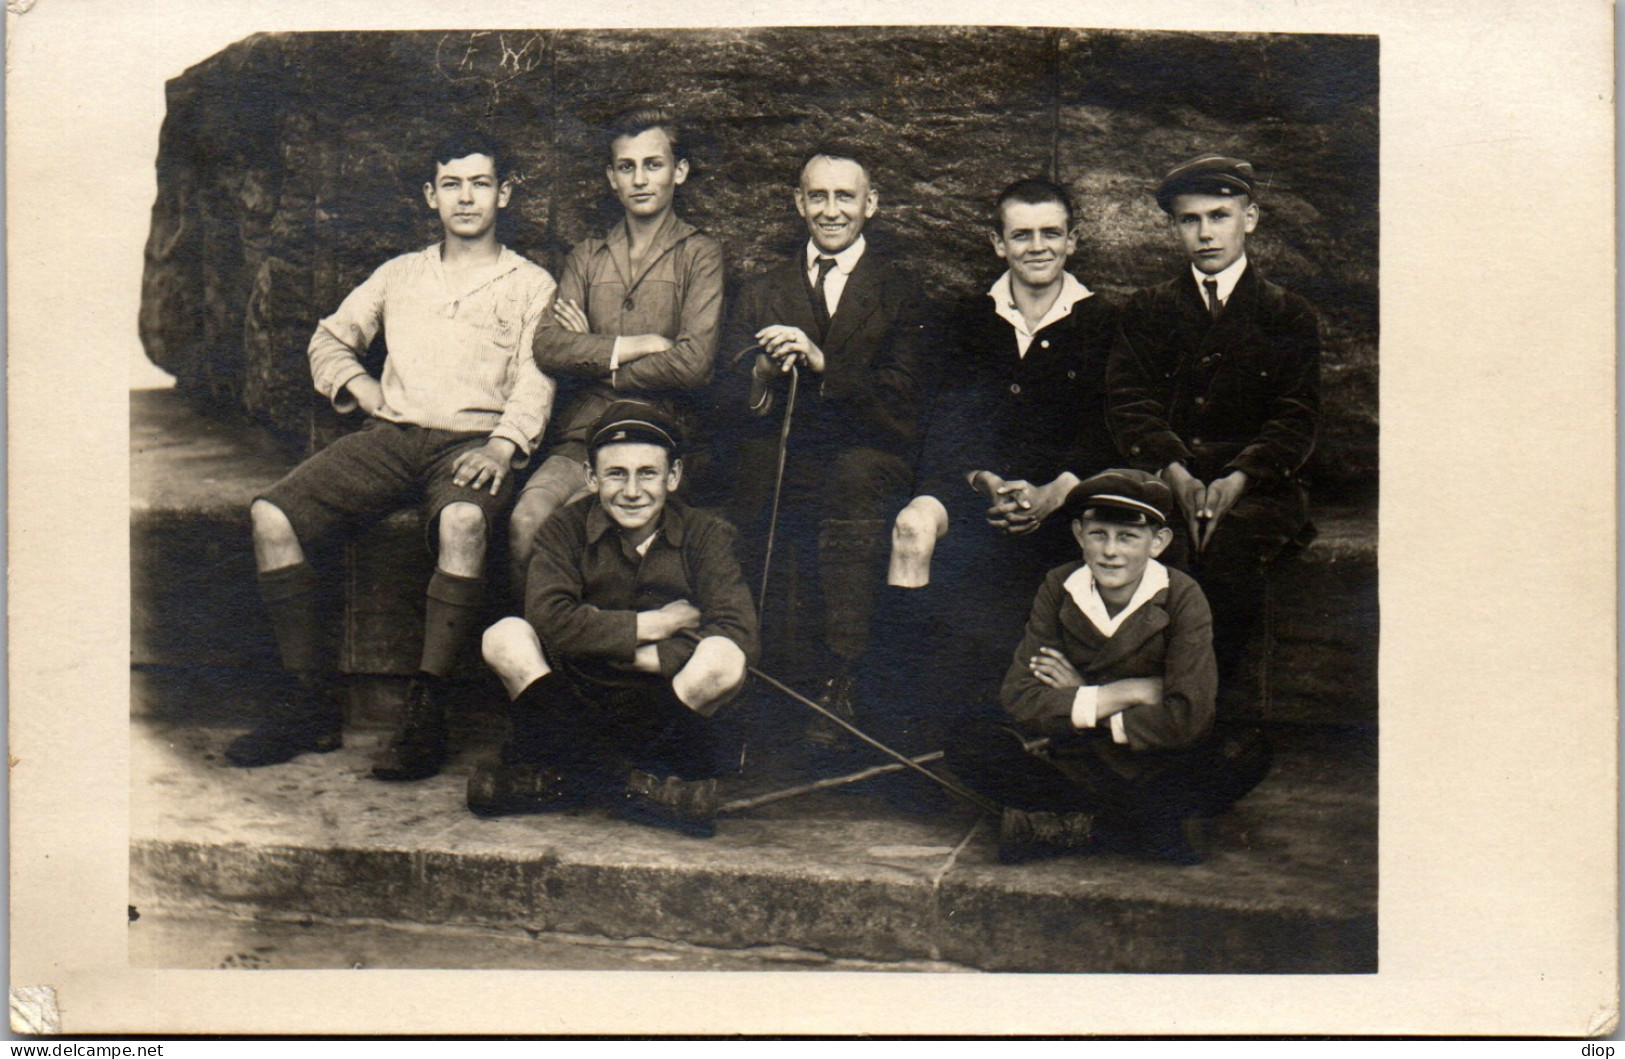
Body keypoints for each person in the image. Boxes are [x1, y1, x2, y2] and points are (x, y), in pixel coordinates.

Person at [226, 131, 558, 778]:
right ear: (431, 196)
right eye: (452, 184)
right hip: (395, 436)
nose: (466, 197)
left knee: (463, 523)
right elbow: (328, 340)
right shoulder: (400, 274)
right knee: (272, 515)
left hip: (471, 445)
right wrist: (364, 389)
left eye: (481, 182)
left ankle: (426, 710)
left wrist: (502, 443)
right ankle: (308, 703)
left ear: (505, 193)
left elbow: (536, 376)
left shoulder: (529, 283)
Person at [870, 178, 1119, 750]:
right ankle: (895, 715)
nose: (1037, 246)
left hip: (1064, 496)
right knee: (911, 527)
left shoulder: (1102, 323)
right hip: (974, 485)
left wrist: (1055, 492)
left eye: (1050, 233)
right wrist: (984, 480)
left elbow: (1107, 428)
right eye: (1022, 234)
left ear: (1073, 241)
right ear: (998, 242)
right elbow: (945, 422)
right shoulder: (967, 319)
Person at [944, 470, 1271, 865]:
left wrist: (1079, 695)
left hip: (1154, 764)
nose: (1110, 552)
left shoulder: (1182, 595)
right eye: (1098, 534)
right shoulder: (1060, 586)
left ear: (1158, 542)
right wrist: (1127, 692)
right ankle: (1146, 827)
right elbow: (1019, 699)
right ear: (1080, 535)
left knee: (1247, 747)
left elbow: (1187, 718)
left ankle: (1076, 825)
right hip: (1075, 763)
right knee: (967, 741)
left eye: (1128, 537)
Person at [472, 401, 758, 837]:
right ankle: (632, 783)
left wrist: (650, 658)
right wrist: (652, 626)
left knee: (724, 657)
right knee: (504, 636)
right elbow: (548, 619)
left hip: (665, 699)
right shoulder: (562, 530)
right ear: (591, 478)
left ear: (673, 477)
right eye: (615, 474)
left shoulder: (706, 535)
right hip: (572, 697)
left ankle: (577, 774)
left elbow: (738, 631)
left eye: (648, 473)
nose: (632, 491)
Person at [1106, 154, 1321, 708]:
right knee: (1138, 541)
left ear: (1249, 219)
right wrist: (1173, 471)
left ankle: (1214, 716)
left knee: (1227, 552)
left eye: (1219, 215)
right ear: (1174, 227)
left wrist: (1239, 478)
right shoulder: (1149, 309)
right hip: (1165, 478)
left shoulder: (1286, 313)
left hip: (1257, 487)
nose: (1205, 233)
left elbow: (1296, 414)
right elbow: (1131, 403)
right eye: (1189, 220)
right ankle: (1132, 709)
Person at [725, 145, 924, 733]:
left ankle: (843, 675)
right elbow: (725, 390)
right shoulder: (763, 288)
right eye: (818, 196)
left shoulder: (900, 292)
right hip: (782, 455)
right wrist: (758, 374)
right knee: (755, 477)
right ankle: (747, 672)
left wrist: (821, 363)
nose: (831, 210)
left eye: (845, 197)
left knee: (850, 482)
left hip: (867, 457)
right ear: (798, 203)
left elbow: (901, 404)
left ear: (871, 204)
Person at [514, 107, 725, 591]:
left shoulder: (700, 253)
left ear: (680, 171)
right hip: (586, 433)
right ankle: (538, 657)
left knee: (579, 527)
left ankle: (592, 652)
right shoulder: (587, 255)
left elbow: (693, 363)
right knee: (529, 521)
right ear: (612, 178)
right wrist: (640, 344)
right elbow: (548, 345)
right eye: (626, 167)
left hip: (662, 427)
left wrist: (596, 359)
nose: (640, 179)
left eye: (654, 164)